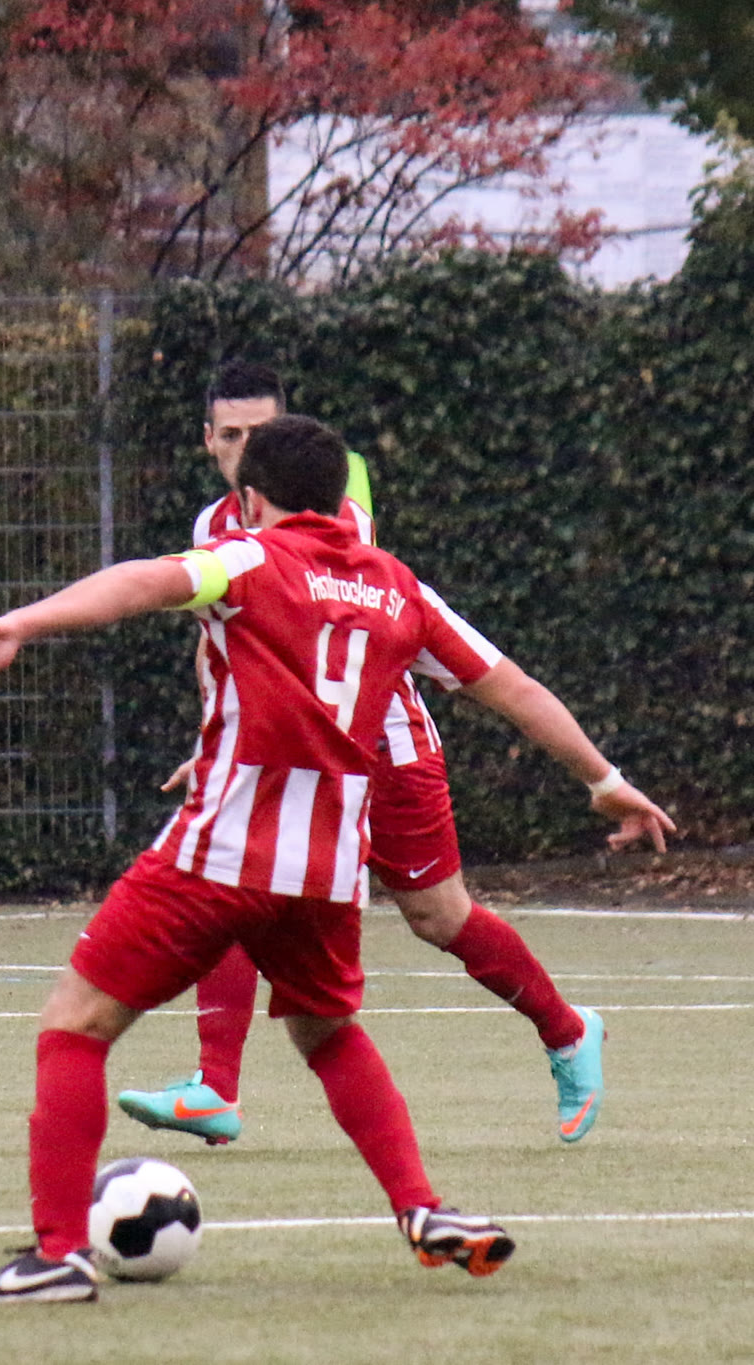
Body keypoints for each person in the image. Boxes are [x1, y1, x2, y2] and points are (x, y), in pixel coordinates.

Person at [0, 414, 674, 1304]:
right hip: (328, 873)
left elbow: (144, 581)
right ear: (339, 497)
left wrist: (19, 622)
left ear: (252, 499)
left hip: (219, 855)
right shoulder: (399, 587)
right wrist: (605, 779)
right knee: (328, 1033)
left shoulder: (247, 558)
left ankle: (60, 1252)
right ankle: (422, 1207)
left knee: (75, 1023)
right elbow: (510, 685)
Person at [118, 361, 646, 1147]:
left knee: (439, 916)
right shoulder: (212, 529)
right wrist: (221, 741)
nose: (244, 448)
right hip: (291, 760)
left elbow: (334, 639)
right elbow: (228, 644)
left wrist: (603, 777)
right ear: (208, 441)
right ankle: (214, 1087)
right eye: (230, 434)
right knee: (234, 884)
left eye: (259, 433)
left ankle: (568, 1030)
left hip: (385, 751)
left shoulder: (340, 525)